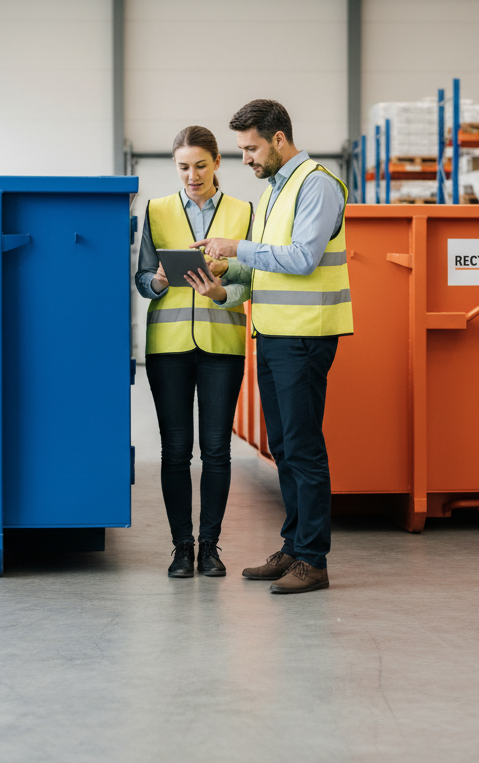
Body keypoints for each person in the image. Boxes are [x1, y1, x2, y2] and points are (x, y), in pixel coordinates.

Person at [192, 99, 353, 595]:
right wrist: (225, 279)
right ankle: (294, 547)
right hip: (276, 333)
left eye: (251, 149)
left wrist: (234, 247)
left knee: (304, 447)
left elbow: (302, 258)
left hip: (306, 335)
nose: (246, 159)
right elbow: (267, 266)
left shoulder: (317, 185)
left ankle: (314, 559)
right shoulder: (274, 193)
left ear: (278, 139)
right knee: (283, 447)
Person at [135, 126, 253, 579]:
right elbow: (144, 279)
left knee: (217, 451)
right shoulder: (158, 209)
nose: (192, 175)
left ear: (217, 162)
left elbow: (251, 278)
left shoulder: (243, 212)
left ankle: (210, 548)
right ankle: (181, 548)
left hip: (222, 343)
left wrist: (222, 290)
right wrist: (160, 281)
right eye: (183, 166)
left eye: (200, 165)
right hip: (168, 348)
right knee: (175, 451)